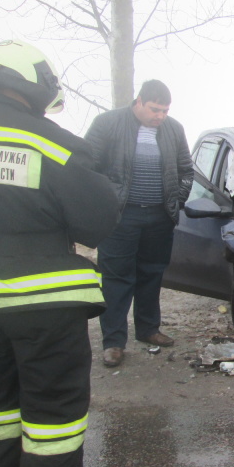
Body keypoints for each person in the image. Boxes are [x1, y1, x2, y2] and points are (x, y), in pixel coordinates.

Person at [0, 40, 119, 467]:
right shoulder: (51, 143)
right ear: (35, 86)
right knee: (52, 409)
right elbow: (98, 220)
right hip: (40, 302)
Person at [85, 79, 194, 368]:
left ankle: (148, 329)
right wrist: (106, 202)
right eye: (155, 109)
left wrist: (176, 200)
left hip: (159, 216)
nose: (160, 116)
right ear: (139, 102)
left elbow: (186, 170)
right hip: (120, 216)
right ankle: (113, 342)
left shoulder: (174, 129)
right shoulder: (108, 123)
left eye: (165, 111)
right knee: (117, 277)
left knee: (152, 273)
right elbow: (87, 168)